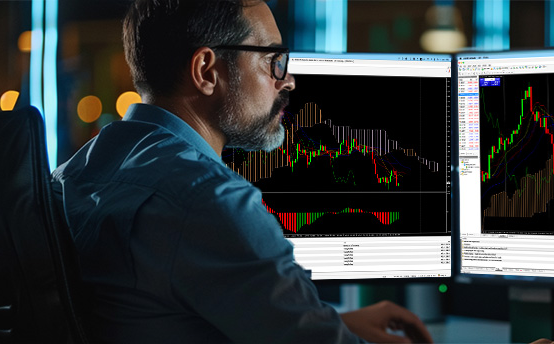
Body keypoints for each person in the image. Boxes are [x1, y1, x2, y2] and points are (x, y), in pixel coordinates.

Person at [50, 0, 432, 342]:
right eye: (272, 60)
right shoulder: (209, 199)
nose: (288, 80)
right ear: (206, 71)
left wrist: (333, 321)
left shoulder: (71, 175)